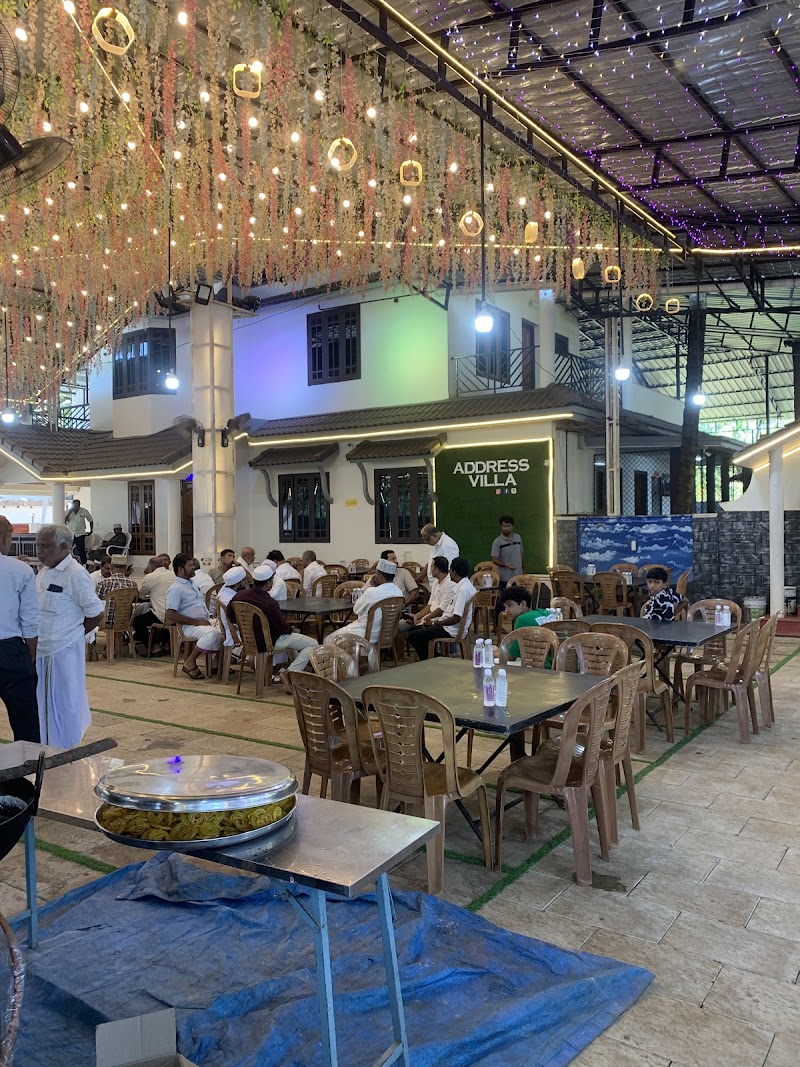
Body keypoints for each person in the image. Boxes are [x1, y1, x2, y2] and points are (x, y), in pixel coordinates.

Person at [35, 524, 105, 746]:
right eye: (38, 546)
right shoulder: (43, 572)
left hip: (64, 651)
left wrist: (75, 634)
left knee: (66, 702)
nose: (40, 551)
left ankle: (67, 748)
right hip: (42, 649)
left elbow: (96, 612)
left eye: (45, 546)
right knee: (43, 704)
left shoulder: (76, 574)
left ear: (64, 547)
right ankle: (46, 748)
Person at [232, 564, 319, 687]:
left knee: (296, 640)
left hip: (248, 640)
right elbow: (281, 628)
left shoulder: (239, 596)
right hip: (269, 642)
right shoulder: (270, 603)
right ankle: (289, 674)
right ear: (269, 583)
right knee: (313, 644)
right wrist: (291, 629)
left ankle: (295, 671)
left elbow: (230, 614)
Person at [0, 514, 40, 742]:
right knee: (26, 722)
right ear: (6, 539)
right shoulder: (21, 571)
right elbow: (30, 618)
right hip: (10, 651)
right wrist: (30, 654)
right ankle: (28, 763)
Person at [164, 554, 224, 680]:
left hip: (204, 621)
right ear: (180, 569)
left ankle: (216, 664)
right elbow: (170, 614)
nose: (193, 568)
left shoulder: (192, 583)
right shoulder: (175, 589)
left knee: (228, 629)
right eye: (190, 566)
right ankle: (190, 661)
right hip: (189, 626)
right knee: (213, 634)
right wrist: (196, 622)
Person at [408, 557, 475, 661]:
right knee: (414, 630)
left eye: (450, 571)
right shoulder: (467, 585)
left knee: (414, 636)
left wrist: (435, 623)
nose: (449, 573)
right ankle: (434, 658)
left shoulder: (462, 590)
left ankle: (434, 660)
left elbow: (456, 618)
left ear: (454, 572)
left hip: (450, 629)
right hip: (447, 625)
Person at [334, 558, 403, 644]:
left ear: (380, 576)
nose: (373, 577)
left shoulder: (372, 591)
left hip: (364, 634)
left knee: (329, 639)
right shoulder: (398, 592)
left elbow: (356, 610)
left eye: (376, 574)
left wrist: (372, 587)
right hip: (386, 635)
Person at [132, 556, 175, 654]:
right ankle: (166, 644)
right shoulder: (173, 574)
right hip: (175, 614)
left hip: (161, 615)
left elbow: (141, 595)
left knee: (137, 621)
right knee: (159, 615)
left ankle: (154, 646)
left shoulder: (150, 577)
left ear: (150, 566)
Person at [497, 586, 551, 660]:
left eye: (509, 605)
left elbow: (511, 656)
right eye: (505, 607)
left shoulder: (522, 619)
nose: (506, 610)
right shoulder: (545, 612)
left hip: (540, 664)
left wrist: (495, 652)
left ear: (523, 604)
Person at [96, 558, 138, 629]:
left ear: (111, 568)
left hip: (105, 621)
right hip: (125, 622)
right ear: (126, 568)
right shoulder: (133, 584)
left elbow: (95, 602)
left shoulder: (103, 583)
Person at [216, 566, 248, 652]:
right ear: (237, 584)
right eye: (244, 581)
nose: (246, 583)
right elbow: (242, 622)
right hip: (234, 634)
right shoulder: (231, 600)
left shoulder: (225, 590)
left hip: (232, 630)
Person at [491, 515, 524, 588]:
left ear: (512, 527)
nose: (506, 528)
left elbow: (521, 554)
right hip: (505, 578)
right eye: (504, 526)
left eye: (508, 526)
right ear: (501, 527)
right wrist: (505, 565)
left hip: (519, 576)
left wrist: (523, 569)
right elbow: (494, 559)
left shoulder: (518, 538)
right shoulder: (497, 542)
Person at [64, 498, 93, 565]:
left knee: (81, 549)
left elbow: (90, 520)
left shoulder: (84, 511)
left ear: (79, 505)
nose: (76, 507)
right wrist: (70, 512)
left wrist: (91, 530)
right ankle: (67, 563)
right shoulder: (68, 511)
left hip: (80, 533)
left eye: (77, 506)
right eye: (75, 506)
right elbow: (65, 520)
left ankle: (84, 564)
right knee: (68, 549)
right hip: (70, 533)